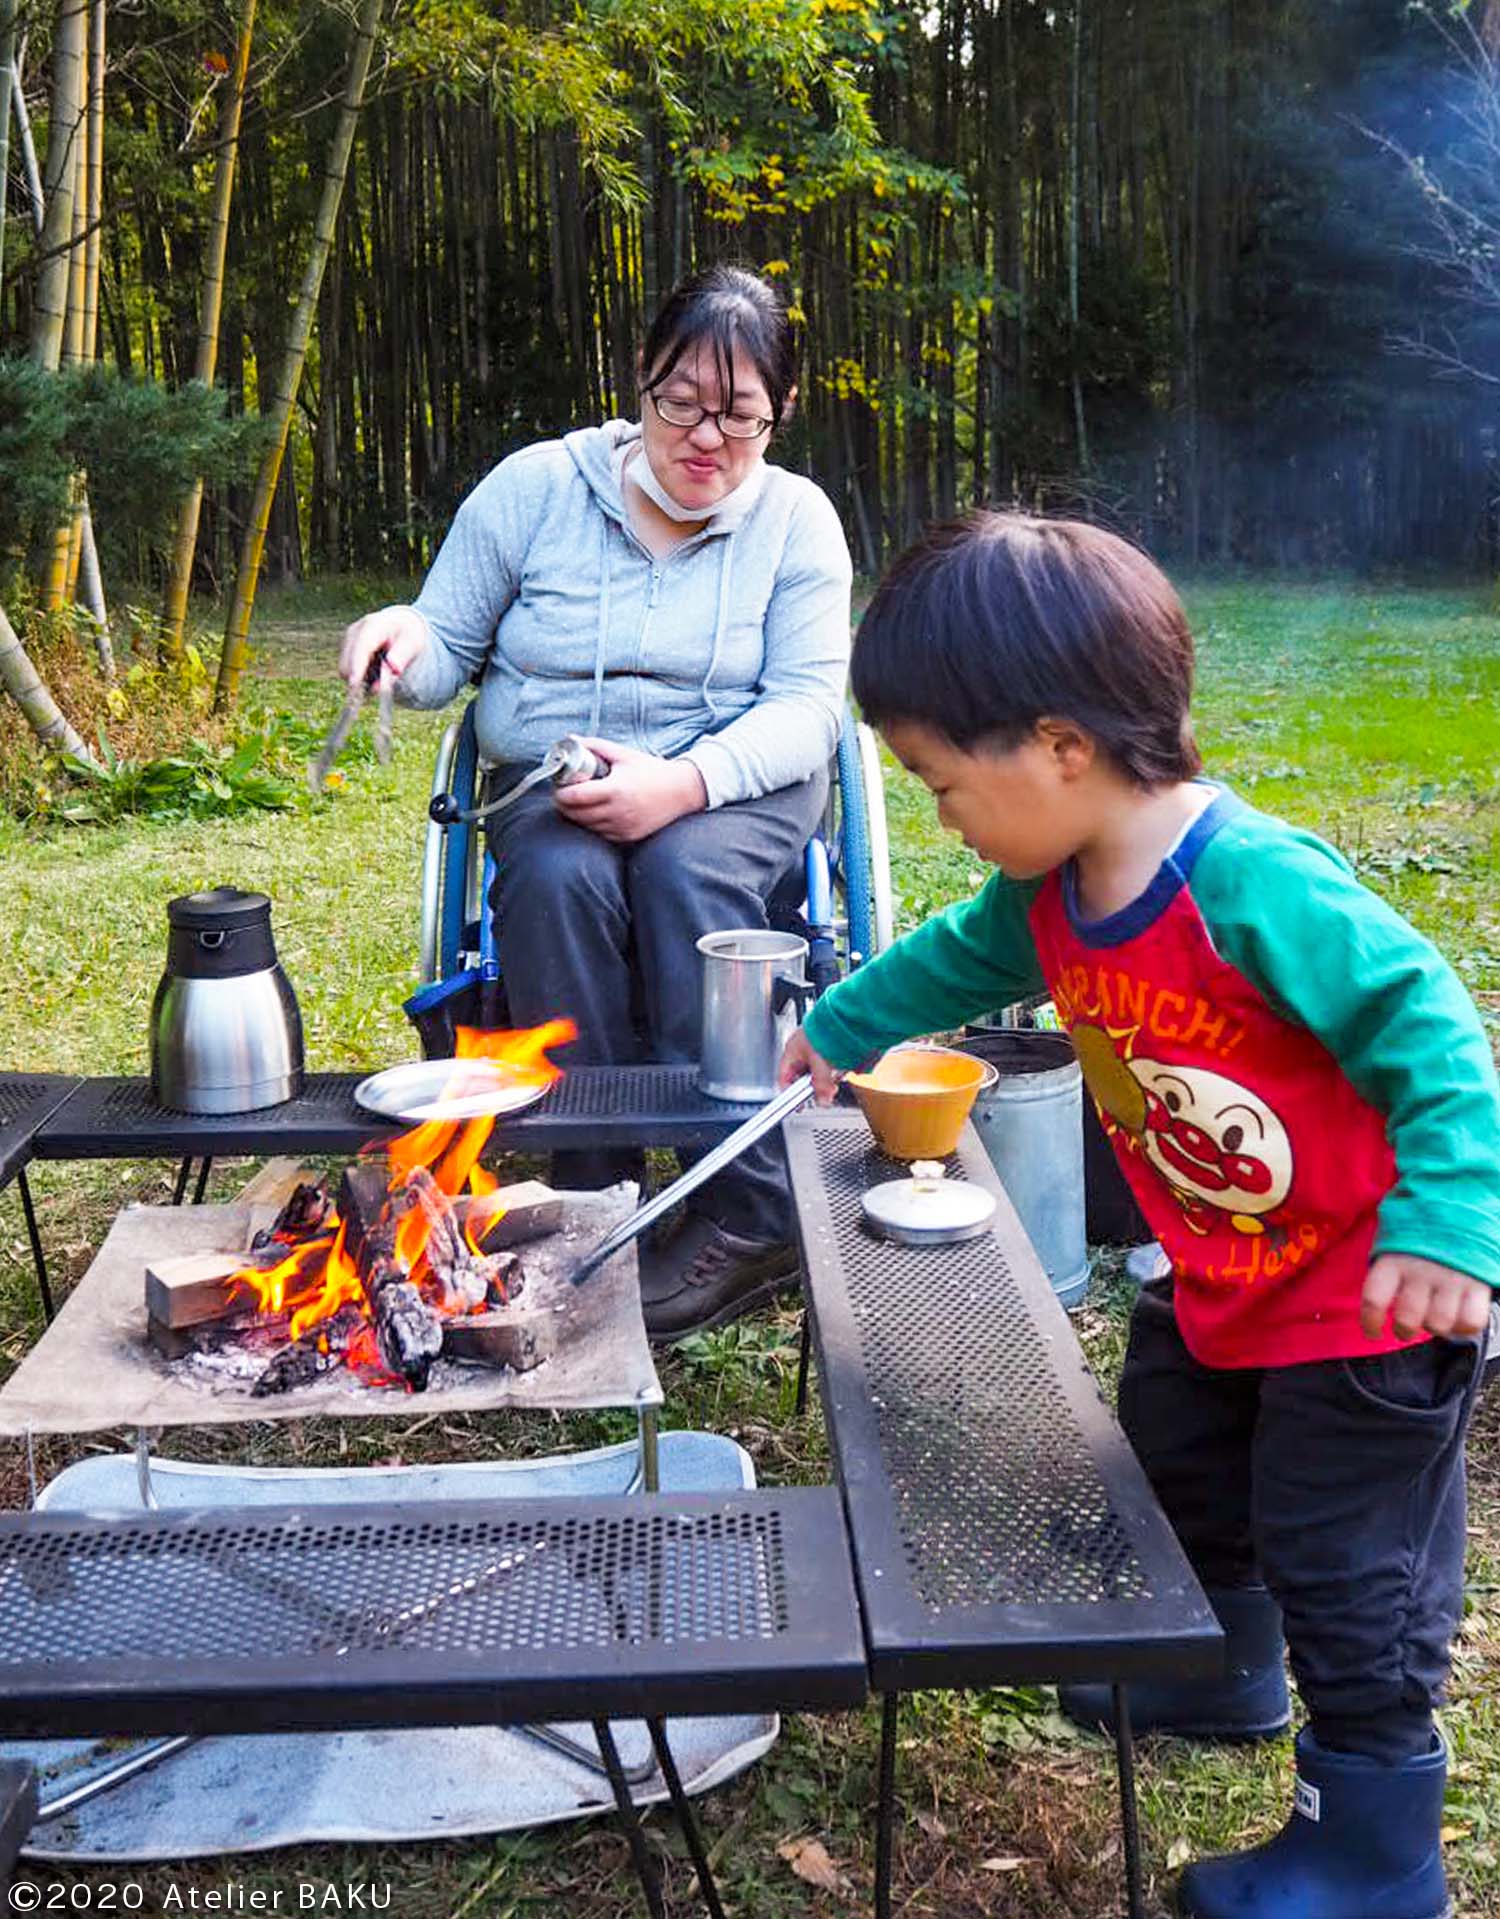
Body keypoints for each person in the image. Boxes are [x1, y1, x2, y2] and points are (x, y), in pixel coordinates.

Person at [780, 511, 1500, 1919]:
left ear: (1057, 746)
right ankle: (1214, 1668)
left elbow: (1433, 1026)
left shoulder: (1252, 883)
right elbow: (951, 955)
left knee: (1349, 1573)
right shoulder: (1051, 886)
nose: (941, 814)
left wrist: (1454, 1225)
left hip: (1363, 1304)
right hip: (1227, 1276)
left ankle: (1372, 1845)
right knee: (1175, 1451)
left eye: (941, 781)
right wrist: (842, 1025)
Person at [342, 266, 852, 1342]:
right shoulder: (536, 488)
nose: (706, 437)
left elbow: (809, 711)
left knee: (685, 873)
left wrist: (680, 784)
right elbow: (445, 644)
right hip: (558, 780)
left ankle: (749, 1211)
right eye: (681, 403)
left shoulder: (798, 522)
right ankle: (593, 1188)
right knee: (559, 878)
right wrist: (400, 634)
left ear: (780, 411)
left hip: (737, 779)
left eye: (740, 414)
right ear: (641, 381)